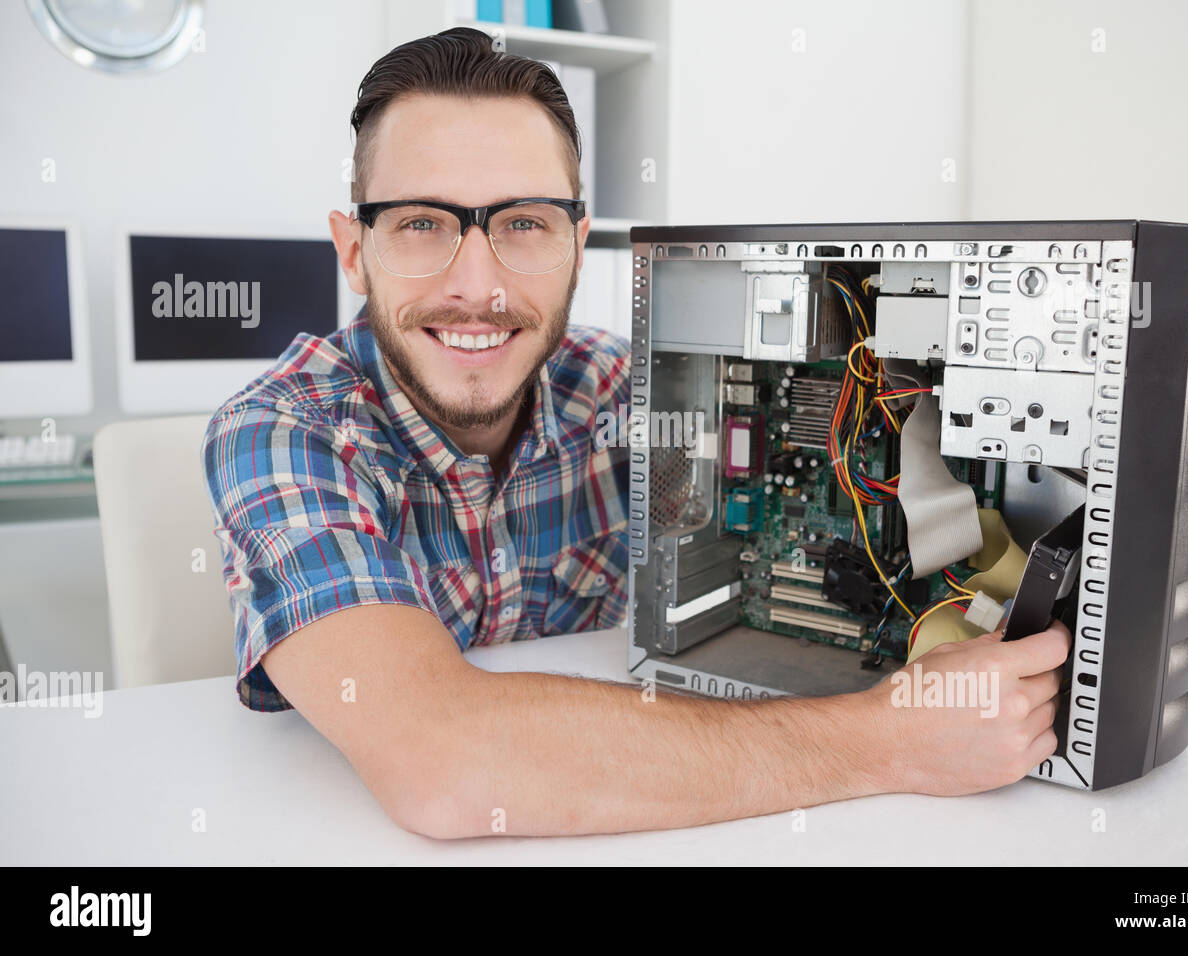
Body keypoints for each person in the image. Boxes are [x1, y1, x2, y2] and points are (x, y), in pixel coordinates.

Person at [202, 27, 1069, 839]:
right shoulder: (287, 434)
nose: (479, 284)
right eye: (422, 223)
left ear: (579, 244)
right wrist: (890, 739)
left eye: (523, 223)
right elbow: (444, 758)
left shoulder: (627, 395)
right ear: (353, 249)